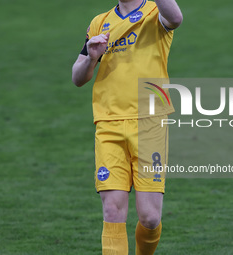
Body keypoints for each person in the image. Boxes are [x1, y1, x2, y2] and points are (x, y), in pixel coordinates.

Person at [72, 0, 182, 254]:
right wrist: (91, 57)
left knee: (150, 217)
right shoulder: (100, 22)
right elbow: (77, 77)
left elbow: (175, 18)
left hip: (149, 123)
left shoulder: (156, 12)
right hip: (108, 124)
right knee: (112, 210)